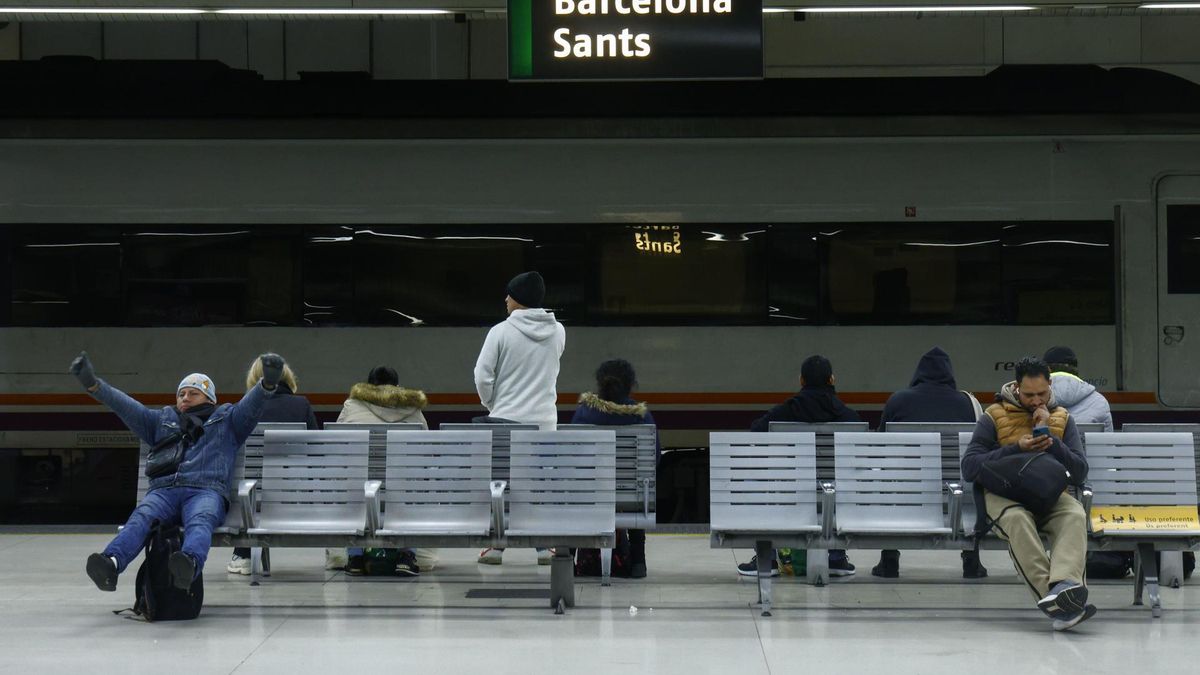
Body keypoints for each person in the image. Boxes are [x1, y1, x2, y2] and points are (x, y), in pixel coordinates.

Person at [74, 351, 281, 593]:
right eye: (181, 393)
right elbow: (126, 407)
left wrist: (266, 384)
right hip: (163, 491)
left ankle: (188, 564)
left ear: (210, 398)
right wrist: (95, 385)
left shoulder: (227, 418)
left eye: (193, 393)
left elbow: (251, 406)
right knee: (142, 517)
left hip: (205, 491)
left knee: (200, 520)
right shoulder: (162, 419)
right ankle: (111, 563)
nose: (185, 398)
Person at [961, 356, 1096, 631]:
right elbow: (970, 465)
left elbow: (1080, 471)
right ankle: (1062, 603)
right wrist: (1016, 448)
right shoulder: (994, 415)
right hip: (1004, 494)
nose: (1036, 401)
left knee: (1073, 514)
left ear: (1050, 386)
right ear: (1017, 389)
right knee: (1018, 520)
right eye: (1029, 395)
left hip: (1048, 493)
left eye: (1042, 394)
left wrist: (1053, 443)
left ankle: (1065, 587)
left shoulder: (1063, 418)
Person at [473, 270, 566, 565]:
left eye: (510, 295)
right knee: (537, 485)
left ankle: (497, 546)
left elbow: (481, 376)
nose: (506, 299)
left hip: (505, 421)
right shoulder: (558, 331)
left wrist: (493, 404)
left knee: (502, 486)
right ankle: (543, 547)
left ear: (520, 300)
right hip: (543, 424)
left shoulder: (500, 331)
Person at [873, 347, 988, 579]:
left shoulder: (898, 400)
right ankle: (971, 560)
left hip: (905, 493)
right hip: (955, 490)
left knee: (889, 477)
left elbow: (880, 447)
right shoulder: (967, 403)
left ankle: (889, 559)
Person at [740, 355, 857, 577]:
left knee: (756, 481)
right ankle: (836, 558)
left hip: (789, 495)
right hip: (833, 496)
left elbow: (755, 433)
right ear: (832, 380)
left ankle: (768, 559)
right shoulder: (849, 417)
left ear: (802, 381)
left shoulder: (784, 412)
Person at [335, 365, 431, 577]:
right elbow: (425, 452)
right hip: (402, 487)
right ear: (398, 387)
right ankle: (406, 556)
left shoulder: (351, 406)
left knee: (352, 484)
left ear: (368, 386)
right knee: (411, 487)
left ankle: (356, 557)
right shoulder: (414, 409)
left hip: (360, 485)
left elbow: (338, 447)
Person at [228, 356, 320, 575]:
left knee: (247, 481)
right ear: (287, 378)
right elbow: (316, 453)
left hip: (245, 498)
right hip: (291, 496)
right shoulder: (301, 405)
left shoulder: (240, 408)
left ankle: (243, 554)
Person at [570, 358, 660, 578]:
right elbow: (655, 457)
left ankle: (568, 557)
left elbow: (571, 457)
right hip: (631, 497)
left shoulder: (583, 414)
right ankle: (639, 562)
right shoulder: (642, 417)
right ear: (631, 384)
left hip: (588, 495)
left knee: (576, 492)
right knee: (638, 491)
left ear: (600, 384)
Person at [1044, 346, 1114, 432]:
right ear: (1075, 370)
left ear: (1047, 370)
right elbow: (1108, 443)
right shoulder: (1099, 401)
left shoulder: (1031, 398)